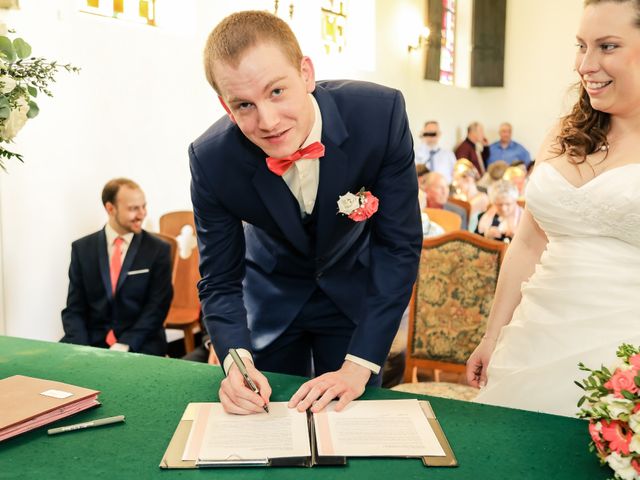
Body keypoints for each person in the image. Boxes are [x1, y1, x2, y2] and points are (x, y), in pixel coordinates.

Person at [191, 11, 422, 415]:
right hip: (270, 300)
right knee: (269, 427)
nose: (268, 121)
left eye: (276, 91)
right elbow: (219, 278)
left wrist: (360, 364)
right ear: (225, 106)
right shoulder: (212, 159)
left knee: (352, 425)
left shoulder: (378, 115)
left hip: (353, 301)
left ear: (306, 73)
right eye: (244, 105)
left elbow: (398, 246)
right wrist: (235, 362)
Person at [466, 0, 640, 417]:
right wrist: (493, 335)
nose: (584, 64)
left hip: (623, 348)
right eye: (581, 45)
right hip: (533, 338)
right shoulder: (565, 132)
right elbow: (527, 243)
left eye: (607, 46)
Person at [61, 178, 173, 356]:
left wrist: (126, 343)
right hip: (92, 340)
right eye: (133, 208)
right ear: (110, 208)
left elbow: (157, 308)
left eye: (144, 206)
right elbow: (74, 308)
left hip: (140, 341)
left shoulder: (158, 250)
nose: (142, 214)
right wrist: (80, 347)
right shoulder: (82, 249)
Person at [452, 158, 489, 232]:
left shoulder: (482, 198)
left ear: (468, 179)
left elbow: (464, 216)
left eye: (457, 179)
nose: (454, 183)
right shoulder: (457, 198)